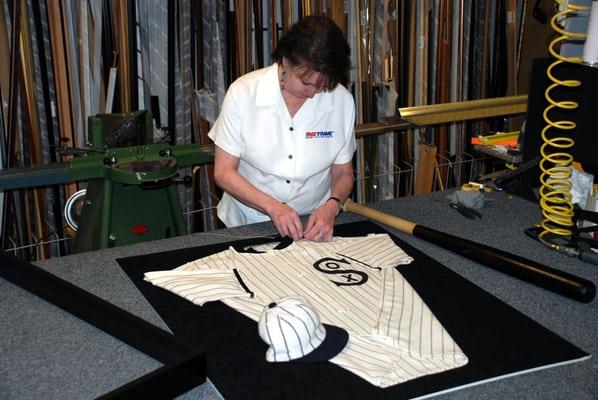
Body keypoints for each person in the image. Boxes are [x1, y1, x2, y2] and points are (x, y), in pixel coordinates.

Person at [209, 15, 355, 242]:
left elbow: (343, 172)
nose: (312, 92)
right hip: (248, 222)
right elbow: (224, 172)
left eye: (322, 84)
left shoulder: (342, 101)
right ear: (285, 60)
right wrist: (273, 207)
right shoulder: (243, 93)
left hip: (313, 224)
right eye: (305, 82)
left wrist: (333, 205)